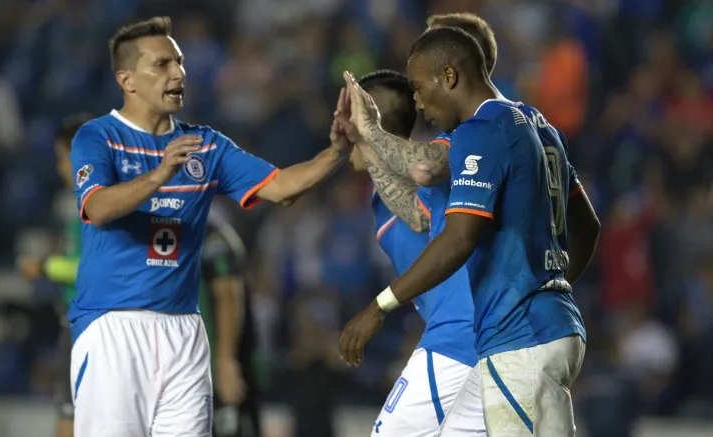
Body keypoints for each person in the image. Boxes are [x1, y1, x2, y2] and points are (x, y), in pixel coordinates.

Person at [68, 16, 350, 437]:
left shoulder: (207, 145)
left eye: (179, 62)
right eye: (162, 64)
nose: (178, 73)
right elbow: (99, 207)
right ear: (126, 79)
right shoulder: (98, 137)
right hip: (113, 327)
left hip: (184, 329)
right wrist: (158, 175)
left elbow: (282, 188)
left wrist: (338, 150)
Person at [339, 27, 601, 436]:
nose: (419, 103)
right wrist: (553, 287)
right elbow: (589, 226)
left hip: (519, 336)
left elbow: (459, 238)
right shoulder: (540, 126)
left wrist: (379, 307)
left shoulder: (481, 132)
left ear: (448, 76)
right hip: (548, 327)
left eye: (420, 88)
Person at [344, 69, 484, 436]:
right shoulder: (381, 193)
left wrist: (367, 139)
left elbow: (420, 219)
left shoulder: (433, 173)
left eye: (346, 116)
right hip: (467, 339)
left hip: (459, 338)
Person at [16, 113, 90, 437]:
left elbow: (96, 269)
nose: (60, 168)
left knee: (71, 425)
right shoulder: (82, 204)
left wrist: (45, 267)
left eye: (63, 159)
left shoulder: (102, 205)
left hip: (91, 331)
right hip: (77, 326)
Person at [199, 207, 262, 437]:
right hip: (197, 364)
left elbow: (228, 292)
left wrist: (226, 361)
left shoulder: (210, 232)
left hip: (217, 363)